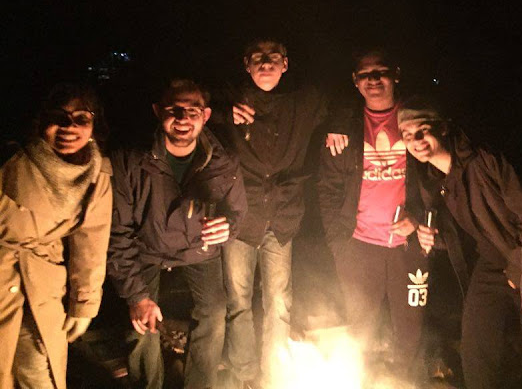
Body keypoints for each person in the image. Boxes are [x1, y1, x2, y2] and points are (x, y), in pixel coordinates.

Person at [397, 97, 522, 389]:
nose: (415, 141)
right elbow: (461, 234)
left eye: (422, 130)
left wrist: (518, 269)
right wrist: (431, 237)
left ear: (443, 128)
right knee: (478, 350)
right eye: (407, 135)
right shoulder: (436, 179)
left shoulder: (486, 159)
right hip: (492, 263)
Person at [108, 78, 247, 389]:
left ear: (205, 116)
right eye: (174, 110)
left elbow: (237, 211)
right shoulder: (132, 161)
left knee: (214, 312)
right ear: (158, 111)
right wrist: (137, 296)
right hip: (147, 247)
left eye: (193, 111)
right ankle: (147, 383)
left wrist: (229, 226)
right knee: (141, 321)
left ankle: (200, 384)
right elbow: (118, 232)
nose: (183, 118)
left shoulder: (223, 161)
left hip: (198, 248)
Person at [214, 38, 331, 389]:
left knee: (280, 302)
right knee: (238, 301)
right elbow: (194, 103)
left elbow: (341, 98)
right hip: (240, 218)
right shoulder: (232, 101)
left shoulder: (302, 102)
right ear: (246, 65)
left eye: (273, 57)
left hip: (282, 217)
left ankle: (274, 374)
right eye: (258, 58)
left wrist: (339, 126)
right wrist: (224, 111)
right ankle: (243, 373)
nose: (266, 63)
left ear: (285, 64)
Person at [317, 48, 427, 383]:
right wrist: (339, 243)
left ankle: (409, 384)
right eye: (365, 74)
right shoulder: (345, 128)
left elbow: (438, 179)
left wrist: (418, 219)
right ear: (355, 81)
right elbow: (328, 188)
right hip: (358, 246)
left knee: (410, 333)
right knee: (359, 332)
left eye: (381, 71)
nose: (374, 79)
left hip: (408, 248)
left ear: (396, 74)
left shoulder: (417, 121)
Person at [0, 83, 112, 388]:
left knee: (39, 372)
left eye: (81, 118)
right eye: (58, 117)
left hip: (43, 286)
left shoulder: (97, 174)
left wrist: (84, 304)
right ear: (40, 121)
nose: (69, 127)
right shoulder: (12, 160)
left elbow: (92, 242)